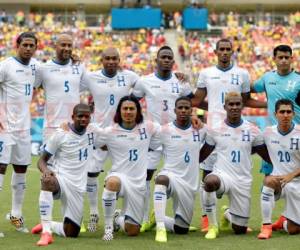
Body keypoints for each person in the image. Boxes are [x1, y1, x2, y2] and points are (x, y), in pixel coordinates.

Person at [192, 38, 266, 231]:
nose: (224, 52)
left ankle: (230, 215)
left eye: (228, 49)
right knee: (207, 175)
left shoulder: (242, 73)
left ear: (232, 52)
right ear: (215, 52)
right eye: (221, 49)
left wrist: (269, 103)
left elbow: (246, 100)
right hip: (214, 130)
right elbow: (197, 100)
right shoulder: (206, 73)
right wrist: (213, 106)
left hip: (235, 131)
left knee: (236, 170)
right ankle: (207, 220)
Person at [132, 45, 194, 232]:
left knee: (178, 176)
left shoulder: (181, 83)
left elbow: (192, 104)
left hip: (176, 137)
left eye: (169, 57)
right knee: (146, 177)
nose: (166, 60)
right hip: (153, 136)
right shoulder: (145, 81)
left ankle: (178, 218)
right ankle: (143, 218)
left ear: (173, 61)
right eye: (163, 57)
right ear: (156, 60)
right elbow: (131, 102)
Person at [199, 92, 271, 239]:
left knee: (239, 230)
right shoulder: (216, 129)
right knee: (209, 182)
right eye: (231, 104)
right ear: (225, 106)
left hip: (243, 180)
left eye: (237, 104)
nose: (234, 107)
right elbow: (203, 154)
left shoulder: (253, 130)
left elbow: (266, 155)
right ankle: (213, 226)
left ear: (242, 106)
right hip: (222, 175)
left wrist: (284, 166)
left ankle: (227, 214)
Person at [83, 47, 139, 232]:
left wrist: (177, 76)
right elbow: (68, 85)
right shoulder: (90, 77)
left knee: (126, 176)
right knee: (91, 173)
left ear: (119, 59)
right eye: (107, 58)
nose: (111, 61)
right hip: (99, 134)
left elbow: (147, 86)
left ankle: (121, 215)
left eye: (114, 58)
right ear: (101, 60)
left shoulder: (130, 77)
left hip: (123, 135)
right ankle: (93, 213)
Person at [93, 95, 160, 241]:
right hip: (119, 177)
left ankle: (118, 219)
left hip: (138, 184)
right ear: (119, 111)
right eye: (125, 108)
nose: (128, 112)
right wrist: (66, 127)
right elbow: (90, 141)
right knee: (112, 182)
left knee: (133, 231)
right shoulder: (110, 131)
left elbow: (169, 130)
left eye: (132, 108)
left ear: (138, 111)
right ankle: (109, 228)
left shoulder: (148, 127)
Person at [31, 104, 93, 246]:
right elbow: (41, 161)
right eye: (80, 116)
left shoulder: (93, 132)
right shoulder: (60, 134)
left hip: (77, 188)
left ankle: (48, 224)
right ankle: (46, 233)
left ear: (90, 118)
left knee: (71, 233)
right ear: (73, 117)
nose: (83, 119)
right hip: (61, 178)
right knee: (47, 181)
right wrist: (46, 171)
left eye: (86, 116)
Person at [153, 97, 206, 243]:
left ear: (191, 110)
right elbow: (148, 146)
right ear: (174, 110)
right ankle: (160, 227)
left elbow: (213, 142)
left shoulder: (201, 129)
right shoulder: (164, 130)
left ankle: (158, 217)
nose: (183, 110)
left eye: (186, 108)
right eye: (180, 108)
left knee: (181, 229)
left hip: (189, 184)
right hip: (171, 175)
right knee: (161, 180)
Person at [0, 32, 38, 234]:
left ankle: (15, 215)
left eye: (32, 45)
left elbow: (54, 70)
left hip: (24, 128)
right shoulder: (5, 65)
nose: (28, 48)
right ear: (18, 45)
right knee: (0, 169)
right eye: (25, 44)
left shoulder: (35, 67)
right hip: (4, 128)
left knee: (21, 169)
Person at [252, 44, 300, 175]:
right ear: (274, 59)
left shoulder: (299, 79)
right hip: (272, 137)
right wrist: (265, 105)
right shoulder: (267, 78)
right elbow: (248, 90)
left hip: (296, 137)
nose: (283, 60)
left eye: (286, 57)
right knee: (269, 183)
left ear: (291, 58)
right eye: (280, 57)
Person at [257, 99, 300, 239]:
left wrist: (291, 175)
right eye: (282, 112)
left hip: (297, 182)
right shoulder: (268, 132)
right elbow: (252, 145)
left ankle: (284, 222)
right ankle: (266, 226)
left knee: (294, 230)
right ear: (275, 114)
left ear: (293, 114)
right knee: (268, 181)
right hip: (278, 181)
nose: (285, 115)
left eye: (288, 112)